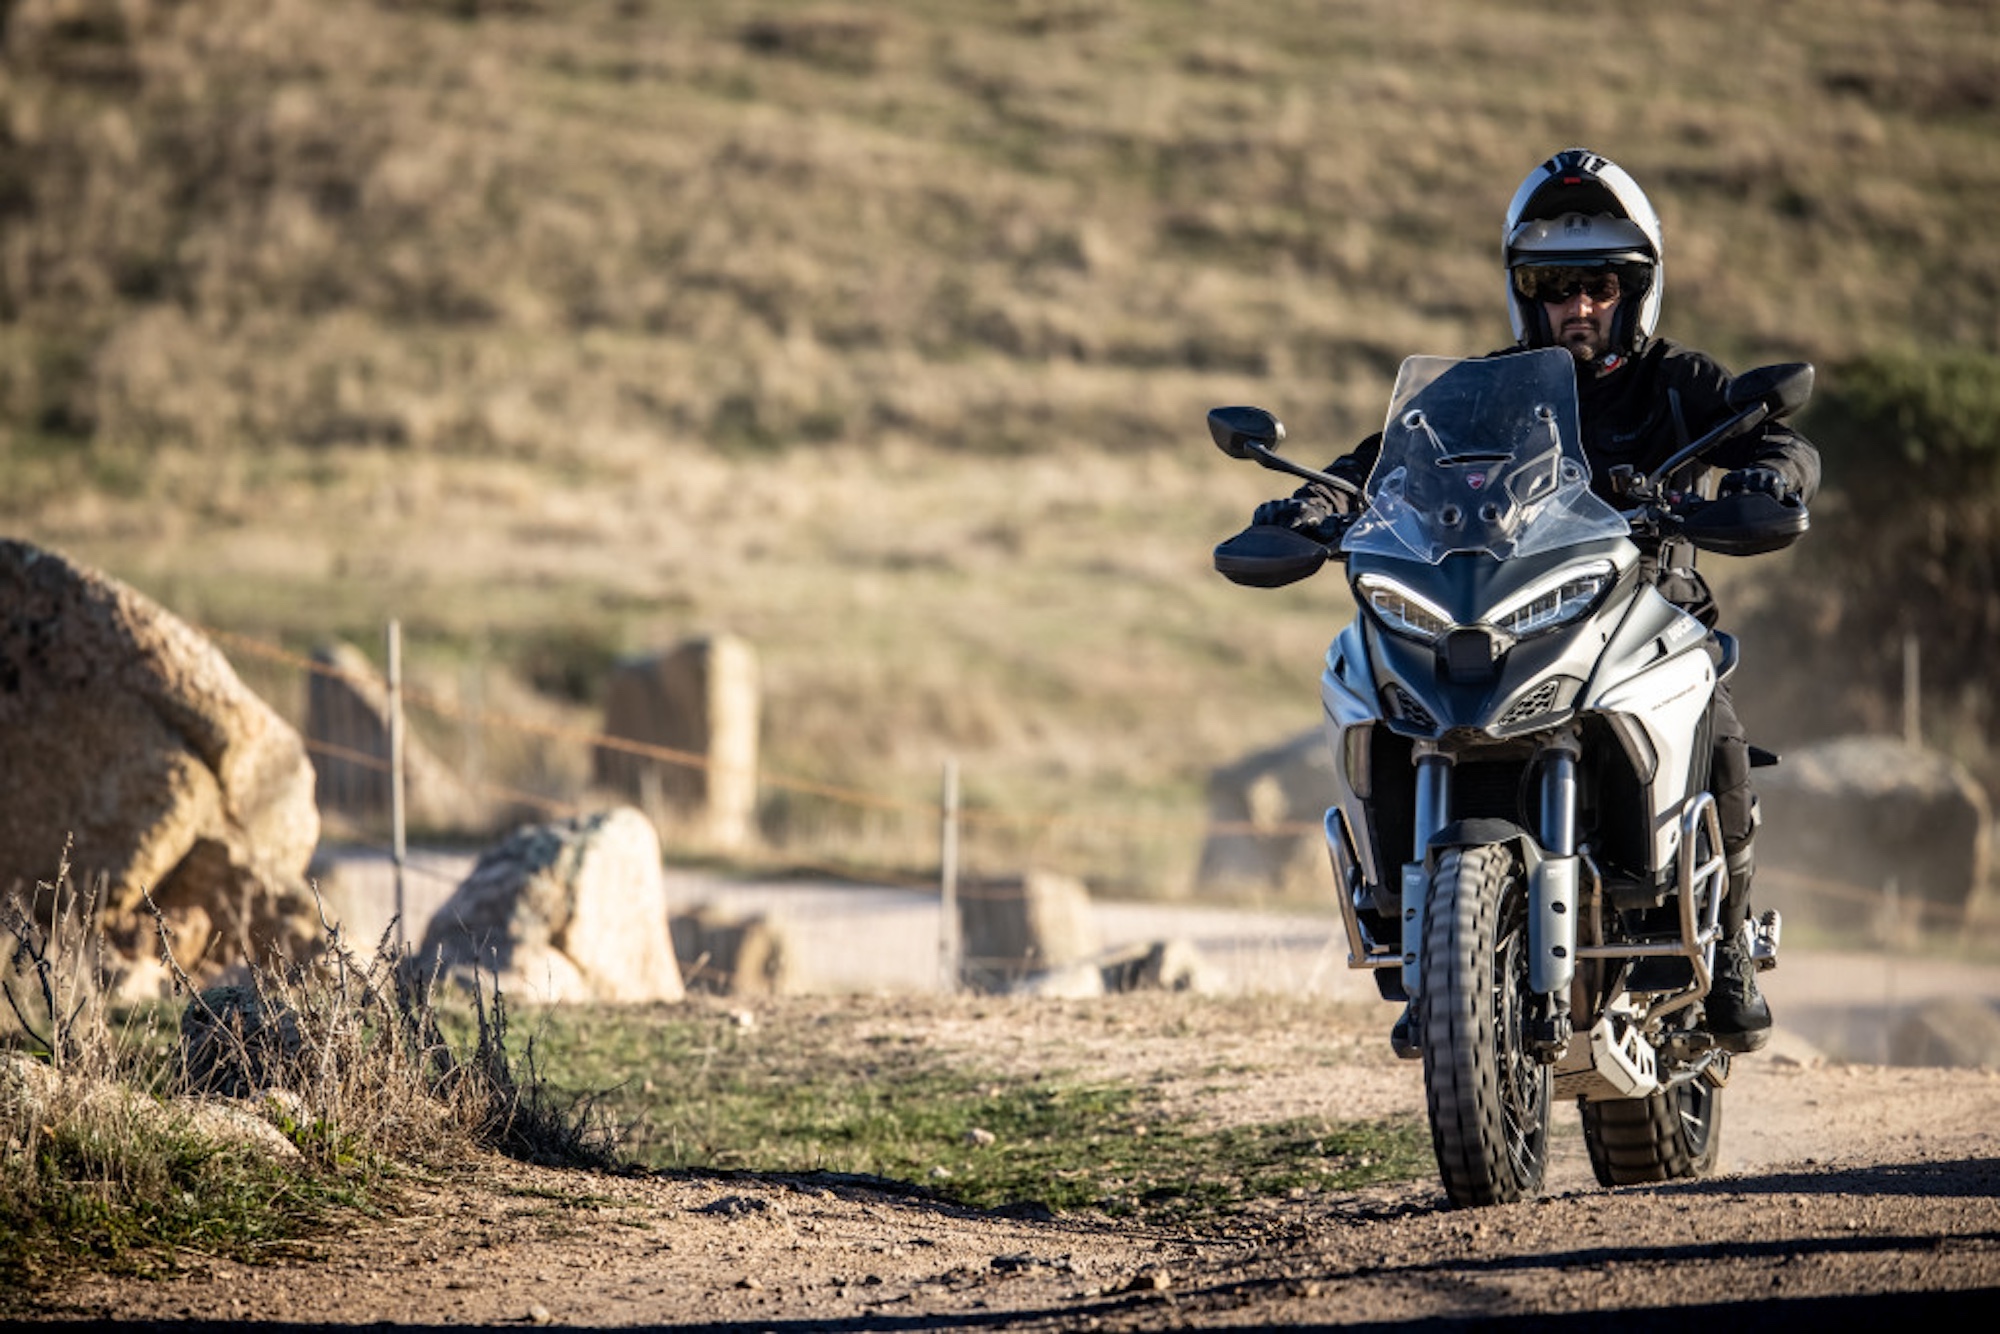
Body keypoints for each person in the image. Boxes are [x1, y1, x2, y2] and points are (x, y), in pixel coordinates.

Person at [1254, 148, 1820, 1053]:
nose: (1579, 304)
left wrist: (1767, 473)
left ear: (1635, 289)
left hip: (1641, 608)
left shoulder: (1678, 381)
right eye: (1556, 284)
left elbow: (1775, 437)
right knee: (1383, 687)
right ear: (1527, 292)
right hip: (1512, 610)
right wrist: (1312, 503)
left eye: (1599, 283)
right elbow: (1376, 466)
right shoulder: (1477, 393)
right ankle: (1423, 945)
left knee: (1712, 708)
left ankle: (1733, 948)